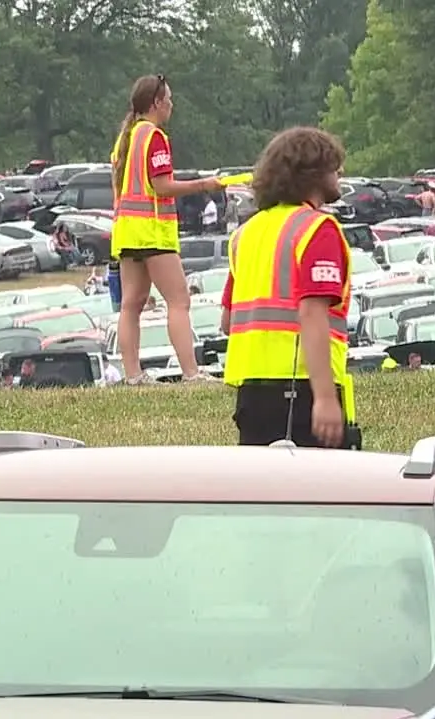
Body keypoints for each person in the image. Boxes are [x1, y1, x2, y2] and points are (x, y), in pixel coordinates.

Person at [221, 126, 359, 449]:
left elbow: (227, 321)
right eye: (332, 165)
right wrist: (325, 398)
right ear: (310, 173)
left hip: (251, 395)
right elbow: (312, 313)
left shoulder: (246, 234)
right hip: (302, 392)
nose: (340, 171)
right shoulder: (318, 229)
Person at [110, 74, 223, 385]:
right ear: (156, 103)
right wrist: (203, 185)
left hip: (127, 231)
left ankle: (133, 375)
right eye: (169, 99)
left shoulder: (126, 138)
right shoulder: (154, 138)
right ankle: (191, 373)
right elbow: (162, 186)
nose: (172, 105)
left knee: (130, 304)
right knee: (179, 300)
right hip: (153, 231)